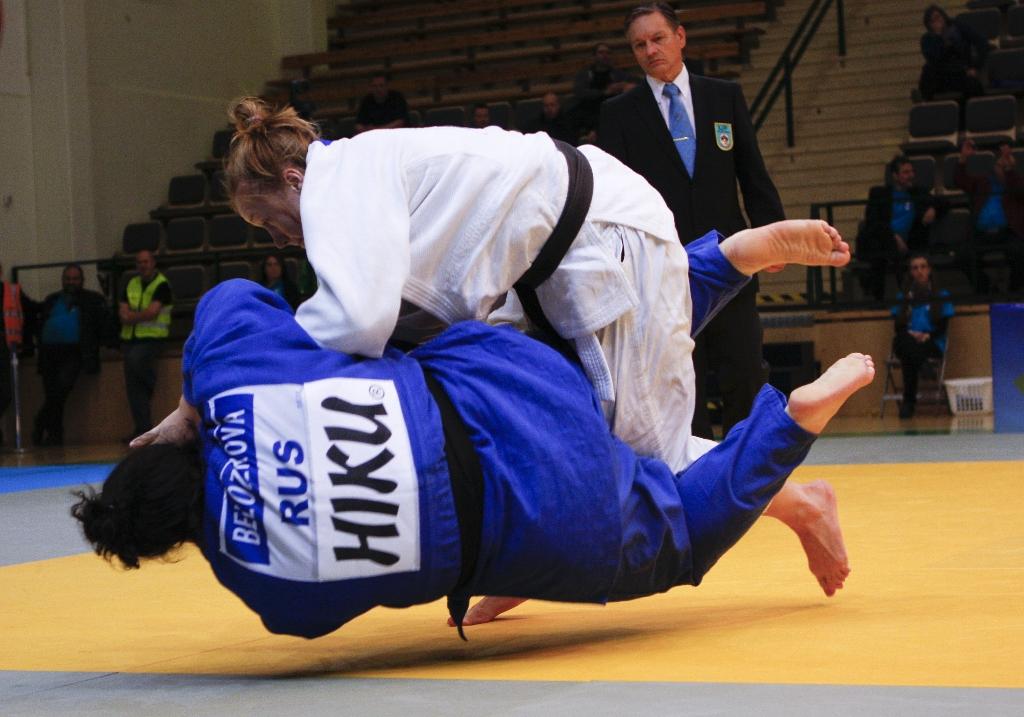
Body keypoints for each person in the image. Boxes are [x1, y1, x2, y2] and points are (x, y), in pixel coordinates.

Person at [150, 97, 856, 599]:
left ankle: (801, 495)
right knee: (560, 424)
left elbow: (359, 322)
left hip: (602, 242)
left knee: (645, 471)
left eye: (267, 219)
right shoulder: (357, 174)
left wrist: (227, 378)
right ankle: (723, 262)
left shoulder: (337, 188)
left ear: (291, 180)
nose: (277, 237)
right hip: (569, 258)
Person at [75, 278, 874, 640]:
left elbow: (352, 600)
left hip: (543, 521)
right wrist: (193, 403)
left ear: (174, 540)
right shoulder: (229, 380)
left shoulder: (264, 591)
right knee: (399, 310)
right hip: (510, 378)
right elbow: (231, 297)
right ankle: (712, 263)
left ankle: (790, 422)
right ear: (171, 448)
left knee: (682, 540)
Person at [597, 3, 785, 441]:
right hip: (661, 273)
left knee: (745, 373)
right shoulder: (617, 113)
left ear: (680, 37)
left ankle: (746, 466)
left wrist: (774, 237)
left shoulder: (724, 96)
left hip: (732, 261)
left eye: (657, 38)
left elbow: (753, 175)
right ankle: (695, 474)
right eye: (639, 45)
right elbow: (611, 200)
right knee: (682, 387)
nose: (650, 50)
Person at [32, 264, 113, 446]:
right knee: (52, 393)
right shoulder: (52, 299)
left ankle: (40, 422)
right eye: (67, 279)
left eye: (75, 279)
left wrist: (107, 345)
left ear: (82, 280)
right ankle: (54, 435)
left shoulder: (92, 300)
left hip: (74, 352)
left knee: (60, 389)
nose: (71, 282)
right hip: (49, 352)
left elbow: (103, 325)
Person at [856, 156, 943, 301]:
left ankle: (886, 296)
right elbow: (873, 221)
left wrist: (934, 209)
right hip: (884, 240)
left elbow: (944, 202)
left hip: (907, 243)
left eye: (912, 172)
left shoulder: (917, 193)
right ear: (895, 176)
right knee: (882, 246)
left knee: (886, 254)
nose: (911, 175)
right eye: (906, 172)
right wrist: (894, 237)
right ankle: (898, 292)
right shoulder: (879, 193)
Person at [955, 140, 1024, 294]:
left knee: (1020, 252)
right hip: (981, 233)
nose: (1002, 168)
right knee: (962, 256)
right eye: (1000, 165)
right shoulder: (983, 182)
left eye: (1005, 166)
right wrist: (963, 157)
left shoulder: (1014, 182)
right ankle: (986, 287)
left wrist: (1010, 171)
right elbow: (960, 180)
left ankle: (1014, 290)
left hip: (1008, 232)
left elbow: (1020, 190)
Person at [891, 254, 954, 419]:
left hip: (931, 342)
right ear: (910, 272)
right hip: (908, 339)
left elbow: (943, 327)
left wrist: (927, 335)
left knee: (908, 356)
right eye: (915, 268)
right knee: (904, 342)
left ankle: (908, 403)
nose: (919, 271)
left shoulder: (942, 295)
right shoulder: (903, 297)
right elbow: (898, 327)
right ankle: (924, 365)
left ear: (929, 270)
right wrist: (912, 334)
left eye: (923, 267)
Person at [119, 250, 173, 439]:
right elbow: (123, 314)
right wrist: (138, 316)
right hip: (130, 340)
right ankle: (141, 427)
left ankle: (150, 382)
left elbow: (153, 313)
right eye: (139, 262)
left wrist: (132, 317)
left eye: (146, 261)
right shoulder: (131, 284)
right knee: (132, 386)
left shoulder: (162, 285)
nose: (143, 265)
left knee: (137, 367)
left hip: (153, 339)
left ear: (153, 263)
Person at [918, 4, 988, 101]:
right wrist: (939, 37)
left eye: (938, 17)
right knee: (927, 77)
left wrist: (975, 67)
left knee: (973, 86)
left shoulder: (958, 28)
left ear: (943, 16)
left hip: (961, 72)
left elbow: (980, 42)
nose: (937, 21)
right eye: (932, 21)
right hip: (941, 75)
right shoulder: (927, 40)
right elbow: (934, 59)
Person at [1, 260, 37, 446]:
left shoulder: (12, 291)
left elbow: (29, 313)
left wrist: (26, 343)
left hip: (6, 346)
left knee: (6, 391)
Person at [572, 43, 636, 144]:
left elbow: (634, 84)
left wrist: (624, 86)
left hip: (612, 116)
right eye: (601, 52)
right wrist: (604, 92)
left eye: (608, 53)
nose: (605, 55)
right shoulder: (585, 74)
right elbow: (579, 92)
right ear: (594, 56)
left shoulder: (617, 74)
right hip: (589, 115)